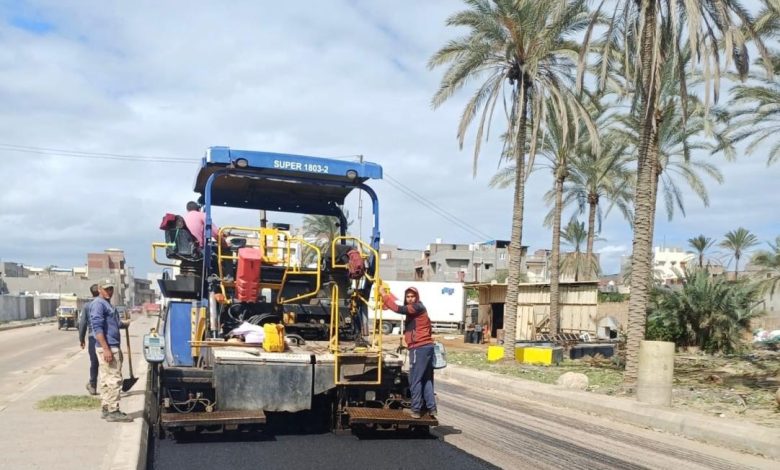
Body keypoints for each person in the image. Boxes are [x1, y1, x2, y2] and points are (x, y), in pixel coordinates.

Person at [382, 286, 436, 419]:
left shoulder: (417, 307)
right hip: (426, 347)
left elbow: (398, 309)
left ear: (417, 297)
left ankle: (416, 410)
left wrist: (384, 295)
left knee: (414, 380)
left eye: (412, 296)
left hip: (419, 347)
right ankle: (431, 408)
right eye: (408, 297)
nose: (410, 299)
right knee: (426, 379)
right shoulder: (418, 310)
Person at [89, 279, 132, 422]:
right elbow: (97, 328)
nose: (109, 291)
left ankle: (106, 408)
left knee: (106, 379)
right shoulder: (98, 304)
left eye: (111, 289)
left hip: (110, 346)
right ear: (99, 289)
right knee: (114, 379)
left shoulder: (107, 304)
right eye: (106, 289)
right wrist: (106, 348)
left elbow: (115, 323)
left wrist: (124, 324)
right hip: (108, 347)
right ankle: (113, 410)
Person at [78, 284, 100, 395]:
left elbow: (82, 324)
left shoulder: (87, 306)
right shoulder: (104, 304)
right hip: (105, 337)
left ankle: (93, 385)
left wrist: (81, 339)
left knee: (94, 362)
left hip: (93, 338)